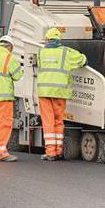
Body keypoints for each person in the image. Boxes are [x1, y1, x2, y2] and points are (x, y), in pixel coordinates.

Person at [37, 27, 87, 161]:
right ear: (59, 39)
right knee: (58, 121)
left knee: (48, 121)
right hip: (60, 92)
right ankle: (58, 151)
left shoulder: (41, 52)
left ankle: (50, 153)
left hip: (44, 92)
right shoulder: (67, 52)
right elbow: (83, 60)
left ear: (47, 39)